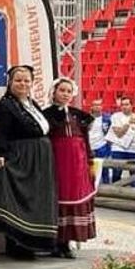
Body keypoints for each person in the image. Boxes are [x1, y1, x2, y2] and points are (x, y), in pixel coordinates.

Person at [0, 65, 58, 259]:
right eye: (18, 80)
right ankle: (18, 244)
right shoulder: (5, 105)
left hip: (38, 158)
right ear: (10, 82)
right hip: (21, 157)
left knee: (36, 200)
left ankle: (35, 242)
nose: (23, 84)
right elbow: (0, 132)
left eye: (27, 80)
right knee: (20, 200)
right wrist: (0, 153)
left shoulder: (31, 103)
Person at [42, 78, 96, 258]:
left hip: (77, 164)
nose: (65, 94)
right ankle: (56, 242)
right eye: (62, 90)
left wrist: (90, 161)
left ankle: (69, 242)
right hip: (58, 162)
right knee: (59, 199)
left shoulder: (79, 116)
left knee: (74, 198)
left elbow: (86, 141)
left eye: (68, 91)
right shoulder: (46, 115)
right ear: (54, 92)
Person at [105, 96, 135, 186]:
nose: (124, 107)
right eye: (122, 105)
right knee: (116, 174)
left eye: (126, 104)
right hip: (119, 149)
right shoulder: (115, 117)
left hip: (134, 150)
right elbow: (119, 134)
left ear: (131, 106)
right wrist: (128, 123)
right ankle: (115, 194)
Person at [86, 99, 112, 184]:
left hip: (102, 146)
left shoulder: (107, 118)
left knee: (104, 168)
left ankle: (106, 187)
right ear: (92, 107)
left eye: (99, 105)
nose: (97, 107)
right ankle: (91, 186)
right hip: (89, 146)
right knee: (90, 169)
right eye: (95, 105)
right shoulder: (86, 118)